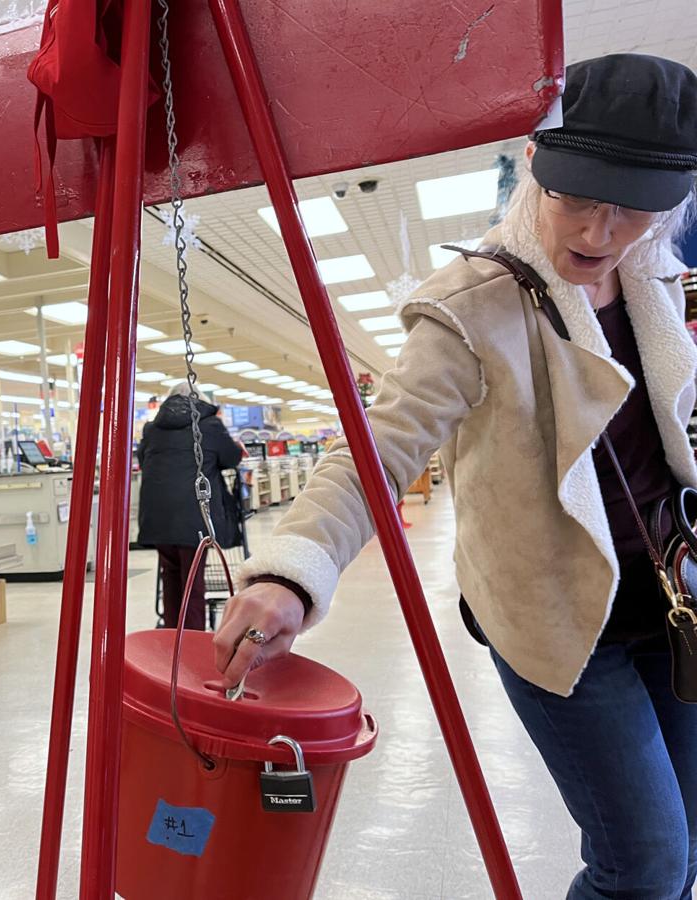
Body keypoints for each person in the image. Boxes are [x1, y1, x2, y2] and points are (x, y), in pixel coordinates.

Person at [216, 54, 697, 898]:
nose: (597, 232)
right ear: (536, 165)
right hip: (556, 623)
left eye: (630, 210)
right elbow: (379, 449)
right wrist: (293, 573)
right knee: (646, 866)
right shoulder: (473, 306)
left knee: (689, 847)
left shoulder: (656, 277)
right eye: (577, 197)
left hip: (674, 602)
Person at [137, 382, 244, 629]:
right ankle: (192, 640)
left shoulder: (152, 428)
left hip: (158, 515)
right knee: (192, 582)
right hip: (196, 514)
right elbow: (230, 458)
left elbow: (143, 459)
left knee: (170, 574)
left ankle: (173, 634)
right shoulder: (209, 425)